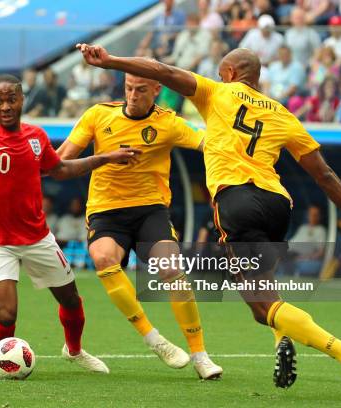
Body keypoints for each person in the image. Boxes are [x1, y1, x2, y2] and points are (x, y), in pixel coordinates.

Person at [75, 42, 341, 400]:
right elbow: (325, 174)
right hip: (278, 203)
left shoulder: (217, 92)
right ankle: (282, 339)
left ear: (230, 74)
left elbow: (162, 70)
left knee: (261, 306)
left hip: (238, 202)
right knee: (263, 290)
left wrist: (111, 60)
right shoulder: (283, 114)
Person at [0, 75, 139, 373]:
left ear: (21, 100)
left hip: (37, 238)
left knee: (70, 299)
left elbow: (60, 170)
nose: (5, 106)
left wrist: (105, 157)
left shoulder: (36, 137)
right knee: (5, 315)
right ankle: (7, 360)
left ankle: (75, 350)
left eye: (10, 99)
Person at [57, 73, 223, 379]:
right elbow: (60, 162)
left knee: (172, 268)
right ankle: (154, 339)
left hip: (150, 211)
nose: (133, 95)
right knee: (104, 258)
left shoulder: (169, 123)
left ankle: (200, 355)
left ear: (157, 90)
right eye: (129, 88)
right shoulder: (98, 115)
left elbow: (208, 144)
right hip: (106, 211)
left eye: (141, 90)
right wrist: (104, 158)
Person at [290, 205, 327, 276]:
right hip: (290, 254)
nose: (312, 217)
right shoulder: (303, 228)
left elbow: (321, 252)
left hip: (305, 258)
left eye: (315, 215)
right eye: (311, 214)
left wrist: (305, 257)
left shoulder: (321, 230)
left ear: (319, 216)